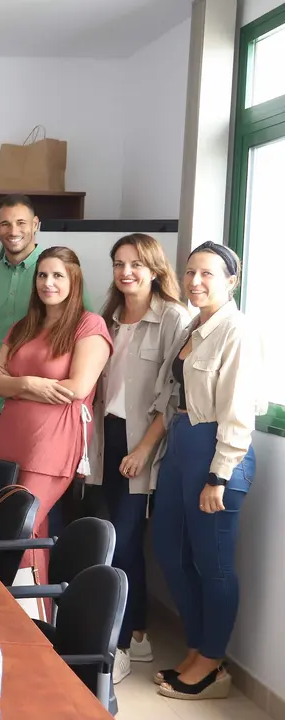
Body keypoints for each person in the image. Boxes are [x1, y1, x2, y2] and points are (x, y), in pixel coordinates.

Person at [152, 243, 263, 701]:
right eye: (190, 272)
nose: (195, 281)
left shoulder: (236, 331)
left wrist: (219, 476)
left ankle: (212, 661)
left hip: (216, 451)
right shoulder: (194, 325)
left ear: (231, 282)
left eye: (207, 274)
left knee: (213, 564)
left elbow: (238, 411)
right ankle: (197, 648)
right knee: (169, 550)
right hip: (182, 442)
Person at [85, 234, 189, 683]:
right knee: (109, 538)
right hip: (105, 438)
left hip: (141, 441)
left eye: (136, 264)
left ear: (155, 269)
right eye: (119, 264)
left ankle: (125, 642)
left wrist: (144, 450)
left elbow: (173, 395)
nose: (126, 272)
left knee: (125, 540)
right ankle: (138, 634)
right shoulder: (108, 316)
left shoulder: (173, 317)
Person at [0, 247, 111, 610]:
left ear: (74, 280)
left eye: (58, 275)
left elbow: (77, 388)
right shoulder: (23, 326)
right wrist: (29, 384)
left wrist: (17, 384)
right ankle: (36, 620)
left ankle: (19, 614)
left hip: (52, 445)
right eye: (42, 275)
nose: (48, 283)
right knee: (29, 533)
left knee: (17, 528)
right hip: (10, 441)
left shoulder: (89, 325)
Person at [0, 195, 92, 456]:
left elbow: (85, 331)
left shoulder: (58, 273)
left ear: (35, 224)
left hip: (44, 408)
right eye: (5, 223)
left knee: (37, 479)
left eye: (21, 222)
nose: (13, 231)